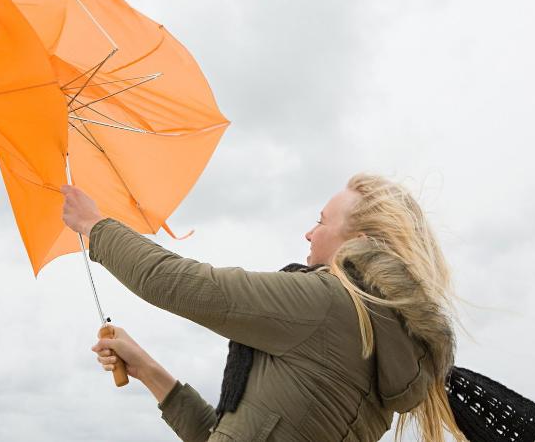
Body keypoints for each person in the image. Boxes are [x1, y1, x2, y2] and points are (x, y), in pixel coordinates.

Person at [61, 172, 466, 442]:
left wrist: (94, 226)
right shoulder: (378, 338)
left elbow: (177, 282)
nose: (309, 233)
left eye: (322, 222)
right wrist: (147, 369)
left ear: (357, 240)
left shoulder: (329, 305)